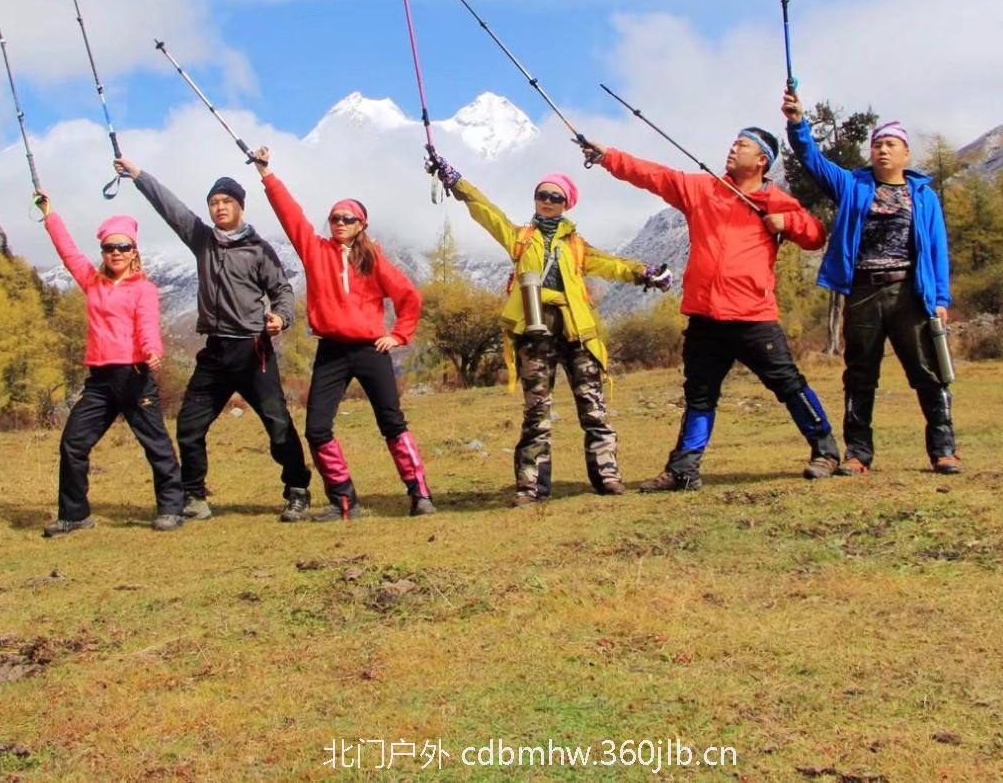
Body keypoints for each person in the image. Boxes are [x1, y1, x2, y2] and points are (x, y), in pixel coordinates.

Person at [579, 125, 841, 489]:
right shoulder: (703, 189)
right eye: (733, 143)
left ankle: (826, 451)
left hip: (753, 317)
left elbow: (815, 236)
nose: (732, 149)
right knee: (700, 394)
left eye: (742, 145)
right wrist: (607, 156)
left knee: (788, 385)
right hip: (705, 316)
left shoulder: (776, 200)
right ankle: (684, 470)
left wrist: (787, 221)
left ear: (761, 160)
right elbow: (654, 175)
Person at [426, 154, 671, 505]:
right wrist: (455, 180)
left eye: (555, 196)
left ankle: (607, 476)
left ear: (566, 203)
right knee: (536, 412)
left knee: (594, 408)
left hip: (578, 333)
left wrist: (645, 273)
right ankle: (531, 487)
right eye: (542, 194)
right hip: (534, 331)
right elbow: (486, 210)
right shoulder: (519, 238)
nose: (547, 201)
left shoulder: (577, 246)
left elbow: (613, 265)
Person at [114, 157, 314, 521]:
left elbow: (282, 290)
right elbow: (170, 207)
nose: (219, 207)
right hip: (215, 352)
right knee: (190, 425)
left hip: (253, 350)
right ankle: (195, 496)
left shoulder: (258, 249)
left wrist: (280, 318)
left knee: (278, 424)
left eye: (226, 202)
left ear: (240, 206)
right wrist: (138, 175)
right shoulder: (202, 240)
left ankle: (297, 490)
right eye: (214, 203)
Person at [252, 147, 434, 520]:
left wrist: (398, 335)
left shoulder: (373, 259)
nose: (338, 222)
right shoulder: (315, 251)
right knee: (316, 428)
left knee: (392, 423)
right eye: (334, 218)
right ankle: (343, 500)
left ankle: (420, 495)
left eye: (347, 218)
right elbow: (291, 215)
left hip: (371, 350)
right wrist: (266, 174)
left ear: (361, 224)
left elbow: (409, 297)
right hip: (331, 351)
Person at [784, 92, 959, 474]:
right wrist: (797, 124)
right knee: (860, 373)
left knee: (927, 371)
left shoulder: (924, 196)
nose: (882, 150)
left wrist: (941, 298)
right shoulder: (852, 185)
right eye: (877, 144)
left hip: (910, 291)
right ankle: (858, 453)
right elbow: (813, 160)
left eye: (891, 144)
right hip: (863, 291)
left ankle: (944, 449)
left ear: (906, 154)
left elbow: (937, 249)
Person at [35, 193, 184, 536]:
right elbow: (69, 252)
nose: (116, 252)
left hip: (134, 376)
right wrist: (49, 215)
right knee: (73, 442)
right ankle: (75, 515)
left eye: (123, 246)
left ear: (134, 251)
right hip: (100, 381)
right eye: (109, 247)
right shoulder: (93, 283)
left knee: (155, 444)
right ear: (102, 252)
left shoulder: (144, 289)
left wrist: (152, 350)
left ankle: (172, 508)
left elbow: (147, 325)